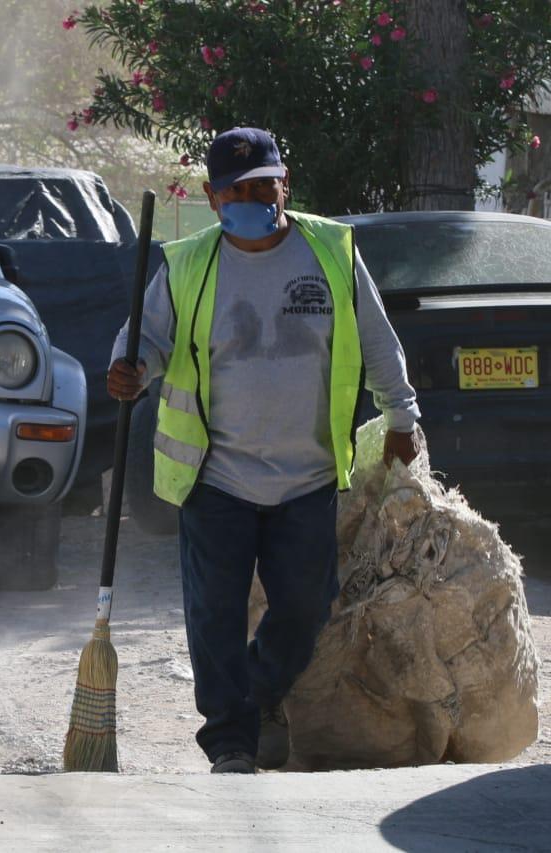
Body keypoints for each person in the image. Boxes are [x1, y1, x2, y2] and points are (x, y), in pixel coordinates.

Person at [108, 127, 419, 774]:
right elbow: (145, 340)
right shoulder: (189, 263)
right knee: (214, 613)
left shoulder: (331, 251)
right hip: (215, 474)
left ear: (286, 184)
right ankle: (229, 739)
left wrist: (401, 414)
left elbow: (378, 341)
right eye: (238, 189)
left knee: (306, 606)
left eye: (265, 186)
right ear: (213, 197)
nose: (254, 198)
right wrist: (128, 368)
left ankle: (261, 691)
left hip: (306, 474)